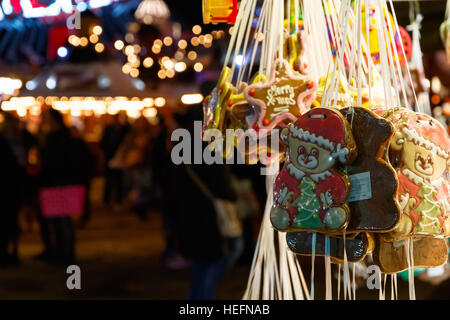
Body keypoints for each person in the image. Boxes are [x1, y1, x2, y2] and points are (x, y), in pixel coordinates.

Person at [173, 94, 244, 299]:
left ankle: (198, 297)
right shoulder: (208, 144)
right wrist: (231, 197)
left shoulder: (183, 143)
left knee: (205, 261)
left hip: (189, 212)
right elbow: (221, 182)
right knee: (219, 256)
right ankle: (199, 299)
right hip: (208, 213)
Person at [37, 109, 88, 265]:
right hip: (60, 181)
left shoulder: (58, 138)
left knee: (62, 220)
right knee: (60, 220)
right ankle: (63, 252)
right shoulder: (64, 136)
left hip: (59, 181)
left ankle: (64, 254)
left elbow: (53, 160)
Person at [0, 113, 24, 267]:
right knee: (8, 222)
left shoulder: (14, 141)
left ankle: (7, 252)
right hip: (8, 189)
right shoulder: (7, 143)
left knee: (8, 222)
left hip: (8, 189)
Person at [100, 113, 129, 209]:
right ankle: (107, 200)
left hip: (119, 158)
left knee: (119, 181)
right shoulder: (109, 129)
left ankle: (117, 200)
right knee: (109, 181)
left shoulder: (123, 129)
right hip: (110, 157)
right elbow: (103, 142)